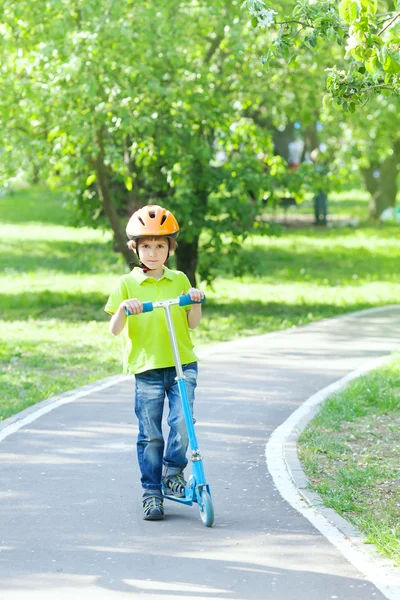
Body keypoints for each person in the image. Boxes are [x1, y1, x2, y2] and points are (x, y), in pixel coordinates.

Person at [104, 205, 204, 521]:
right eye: (146, 245)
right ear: (135, 247)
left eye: (160, 245)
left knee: (182, 422)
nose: (153, 252)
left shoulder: (179, 280)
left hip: (182, 364)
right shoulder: (126, 284)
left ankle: (172, 473)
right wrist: (124, 309)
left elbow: (193, 323)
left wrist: (196, 300)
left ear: (170, 248)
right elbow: (114, 329)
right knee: (150, 435)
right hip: (146, 367)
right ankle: (152, 493)